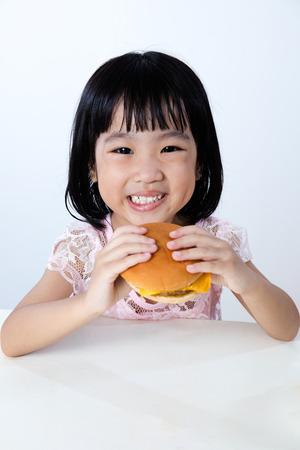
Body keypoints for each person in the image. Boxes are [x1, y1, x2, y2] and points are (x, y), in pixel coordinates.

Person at [1, 51, 299, 357]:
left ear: (200, 163)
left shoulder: (214, 242)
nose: (147, 174)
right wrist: (90, 301)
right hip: (104, 391)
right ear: (92, 165)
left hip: (198, 389)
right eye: (122, 149)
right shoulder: (86, 247)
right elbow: (11, 339)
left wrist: (243, 278)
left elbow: (288, 328)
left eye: (169, 148)